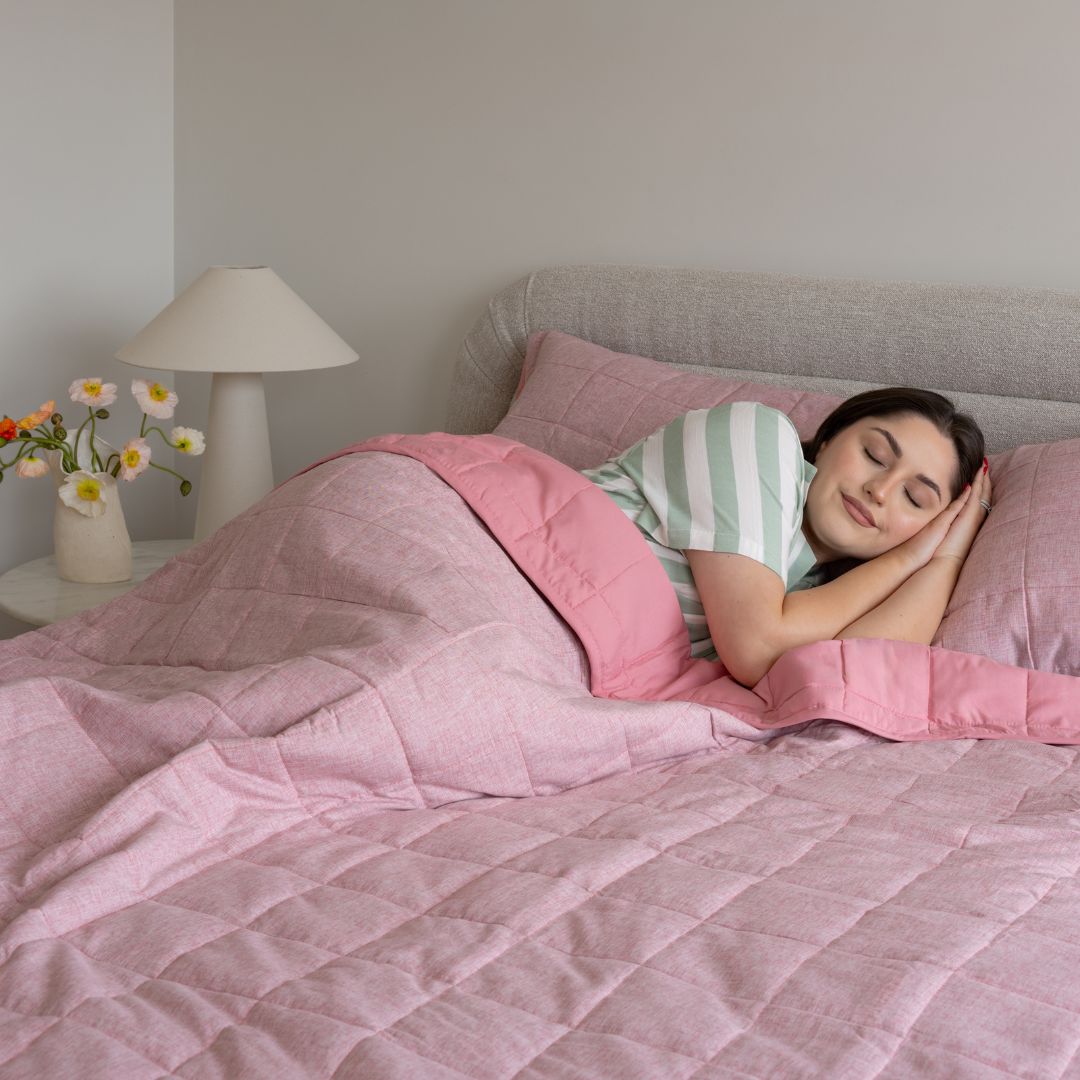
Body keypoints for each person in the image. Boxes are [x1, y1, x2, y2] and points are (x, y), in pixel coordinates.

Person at [582, 388, 990, 687]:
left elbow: (852, 679)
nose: (880, 491)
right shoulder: (756, 435)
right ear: (829, 438)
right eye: (874, 456)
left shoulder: (814, 593)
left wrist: (946, 560)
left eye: (914, 498)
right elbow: (754, 647)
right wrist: (906, 558)